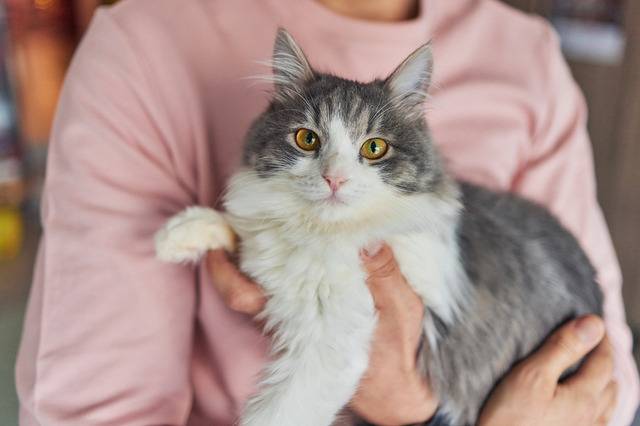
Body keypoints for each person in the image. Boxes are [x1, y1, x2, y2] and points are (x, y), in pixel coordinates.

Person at [15, 0, 639, 424]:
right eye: (310, 140)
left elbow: (611, 385)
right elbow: (93, 408)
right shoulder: (143, 40)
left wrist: (415, 410)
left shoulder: (527, 54)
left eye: (372, 150)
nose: (337, 176)